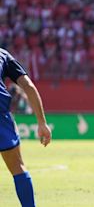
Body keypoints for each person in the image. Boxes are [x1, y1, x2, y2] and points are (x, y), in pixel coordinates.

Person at [0, 48, 52, 207]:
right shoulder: (2, 55)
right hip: (1, 117)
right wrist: (42, 123)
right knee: (17, 167)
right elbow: (28, 86)